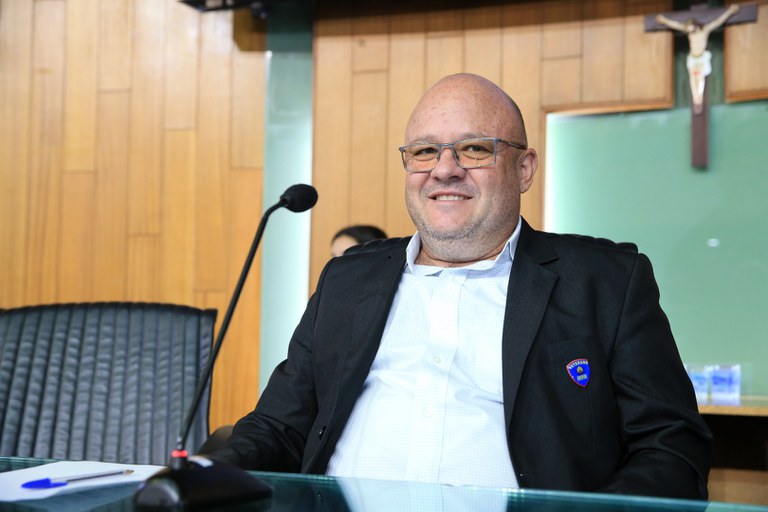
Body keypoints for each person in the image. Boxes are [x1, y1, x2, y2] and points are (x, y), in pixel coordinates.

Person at [211, 73, 712, 499]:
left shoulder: (604, 282)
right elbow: (278, 428)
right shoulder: (346, 279)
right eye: (425, 151)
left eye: (474, 149)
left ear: (524, 169)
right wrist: (202, 478)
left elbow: (671, 445)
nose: (444, 169)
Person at [656, 4, 739, 114]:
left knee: (699, 77)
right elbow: (676, 25)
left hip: (701, 57)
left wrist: (730, 11)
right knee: (692, 78)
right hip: (693, 57)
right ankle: (695, 98)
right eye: (687, 29)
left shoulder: (705, 30)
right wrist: (664, 20)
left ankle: (699, 98)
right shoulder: (689, 32)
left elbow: (718, 21)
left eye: (690, 28)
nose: (689, 31)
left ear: (694, 25)